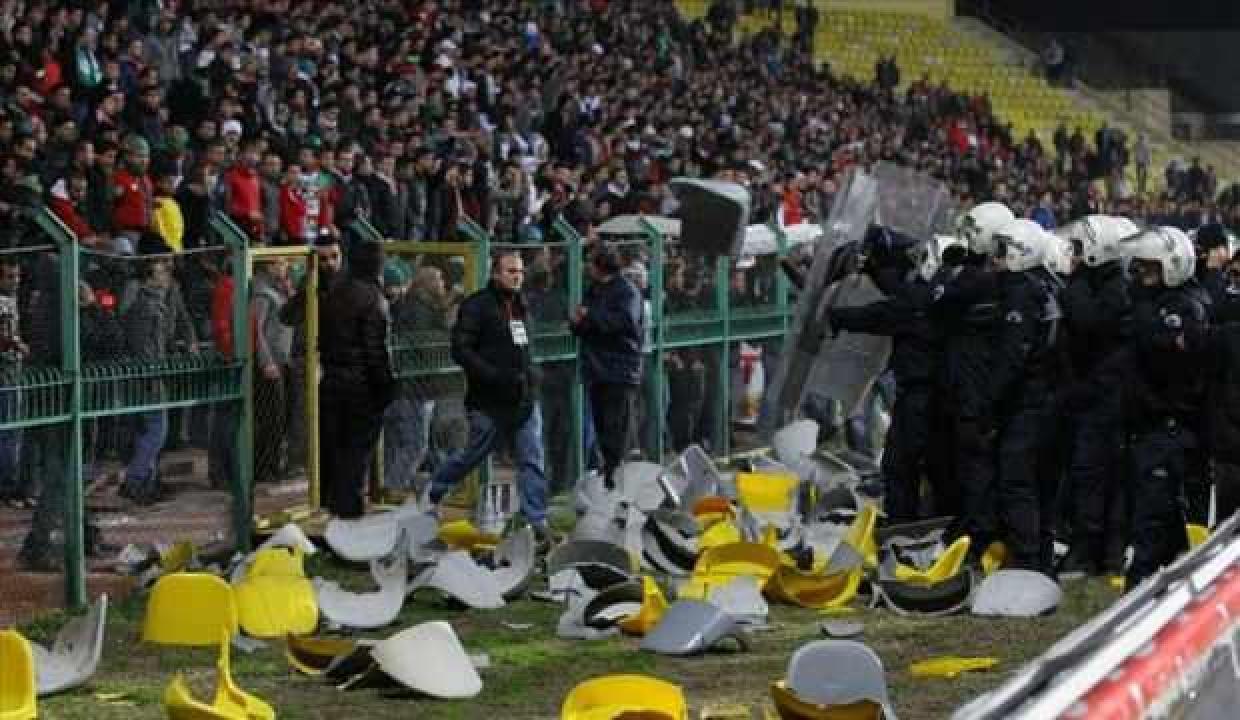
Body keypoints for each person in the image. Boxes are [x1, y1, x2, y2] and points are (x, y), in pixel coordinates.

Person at [425, 250, 553, 544]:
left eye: (520, 272)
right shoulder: (476, 306)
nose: (517, 277)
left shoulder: (521, 305)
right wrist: (493, 375)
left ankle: (536, 520)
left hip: (523, 397)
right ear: (495, 274)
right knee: (472, 454)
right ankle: (433, 490)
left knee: (532, 457)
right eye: (511, 271)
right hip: (489, 400)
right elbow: (461, 349)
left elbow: (525, 347)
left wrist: (532, 374)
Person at [1115, 226, 1208, 590]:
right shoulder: (1151, 305)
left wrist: (1142, 321)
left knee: (1153, 522)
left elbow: (1165, 350)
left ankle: (1139, 593)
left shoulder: (1185, 307)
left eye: (1149, 267)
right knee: (1155, 519)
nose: (1141, 275)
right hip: (1147, 426)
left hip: (1168, 428)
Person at [118, 232, 197, 505]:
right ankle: (136, 479)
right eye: (162, 261)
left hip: (159, 364)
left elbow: (182, 318)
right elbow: (132, 331)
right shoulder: (137, 293)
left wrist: (189, 340)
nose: (168, 265)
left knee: (152, 427)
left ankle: (146, 482)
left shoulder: (169, 289)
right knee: (153, 427)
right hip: (144, 368)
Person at [318, 240, 395, 519]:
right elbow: (375, 350)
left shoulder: (335, 292)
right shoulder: (374, 298)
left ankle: (331, 504)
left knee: (335, 447)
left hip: (332, 378)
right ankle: (349, 510)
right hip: (361, 385)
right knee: (357, 451)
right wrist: (385, 386)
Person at [571, 245, 643, 487]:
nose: (587, 267)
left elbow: (625, 321)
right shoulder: (594, 289)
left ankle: (617, 478)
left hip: (620, 369)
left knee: (616, 428)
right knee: (601, 426)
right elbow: (586, 323)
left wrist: (589, 316)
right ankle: (609, 475)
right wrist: (577, 323)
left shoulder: (626, 291)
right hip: (596, 368)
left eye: (591, 262)